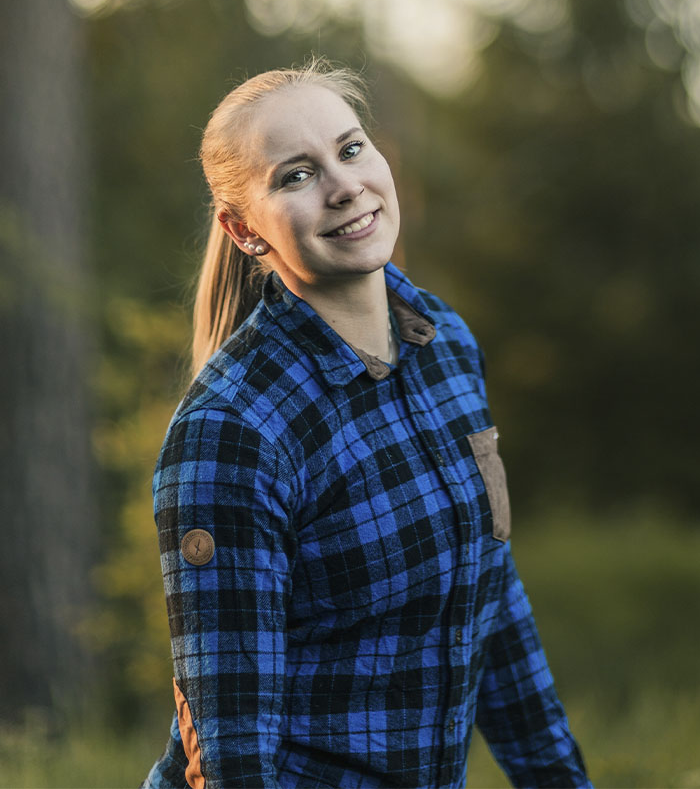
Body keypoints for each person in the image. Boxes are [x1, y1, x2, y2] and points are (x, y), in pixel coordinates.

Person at [143, 62, 590, 788]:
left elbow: (491, 598)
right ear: (243, 230)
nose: (343, 185)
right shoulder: (232, 431)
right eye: (295, 175)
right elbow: (232, 747)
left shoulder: (445, 344)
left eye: (350, 150)